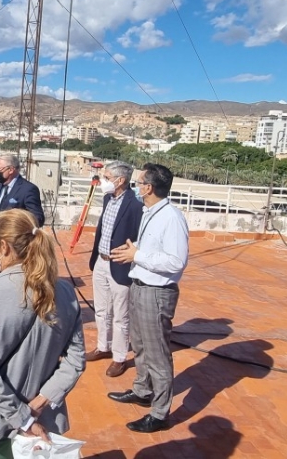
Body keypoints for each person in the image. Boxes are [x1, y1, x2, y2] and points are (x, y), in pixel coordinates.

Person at [0, 209, 85, 457]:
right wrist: (41, 401)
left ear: (4, 247)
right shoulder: (65, 292)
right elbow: (75, 361)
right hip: (47, 418)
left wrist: (23, 418)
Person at [108, 163, 189, 433]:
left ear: (148, 188)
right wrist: (135, 250)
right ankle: (143, 391)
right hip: (140, 286)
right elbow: (153, 249)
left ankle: (160, 412)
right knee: (140, 345)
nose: (137, 185)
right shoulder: (150, 212)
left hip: (156, 294)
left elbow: (176, 261)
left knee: (157, 354)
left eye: (140, 181)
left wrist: (137, 256)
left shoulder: (171, 218)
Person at [87, 162, 143, 377]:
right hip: (101, 262)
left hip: (120, 265)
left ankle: (119, 357)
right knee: (101, 309)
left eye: (107, 177)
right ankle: (103, 346)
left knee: (121, 314)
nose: (103, 181)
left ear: (120, 181)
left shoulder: (135, 204)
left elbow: (140, 236)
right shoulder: (107, 199)